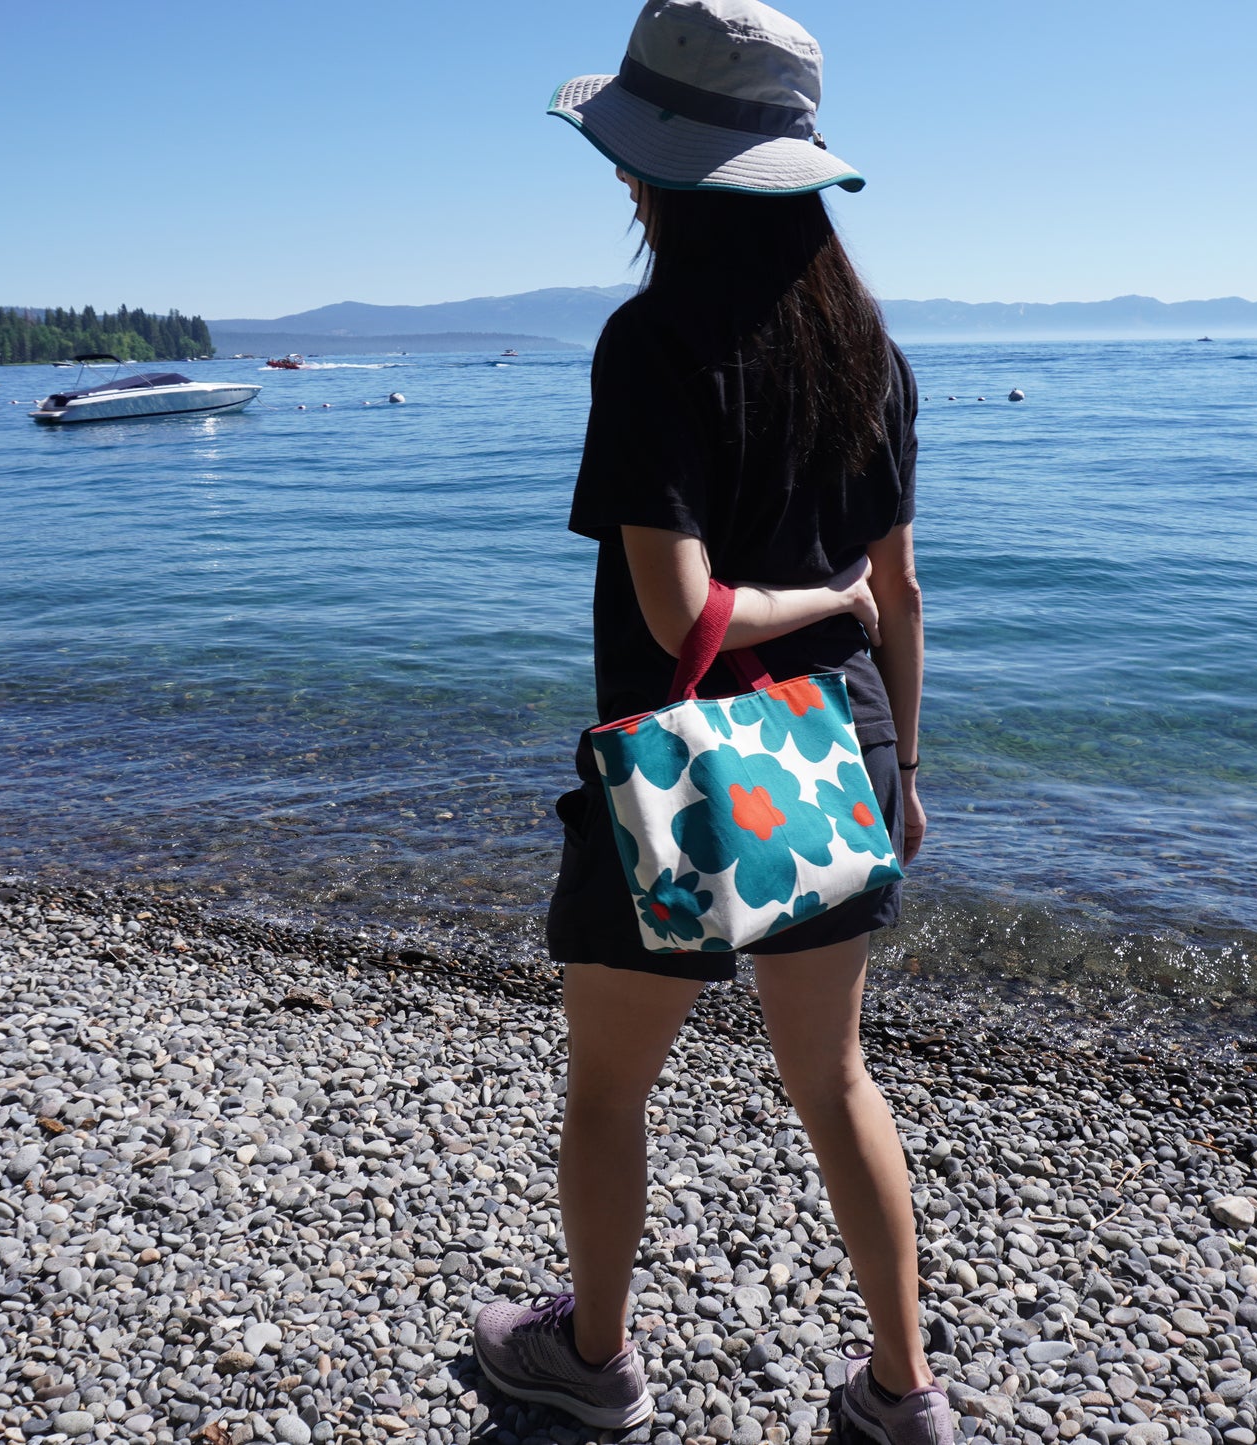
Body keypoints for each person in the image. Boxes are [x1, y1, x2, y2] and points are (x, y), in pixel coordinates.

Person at [473, 3, 949, 1442]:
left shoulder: (652, 343)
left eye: (637, 156)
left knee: (609, 1091)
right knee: (835, 1079)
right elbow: (899, 596)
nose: (622, 179)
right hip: (839, 746)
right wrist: (906, 767)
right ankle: (900, 1393)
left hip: (690, 773)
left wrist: (797, 596)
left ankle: (594, 1364)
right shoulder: (869, 348)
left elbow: (682, 616)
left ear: (676, 169)